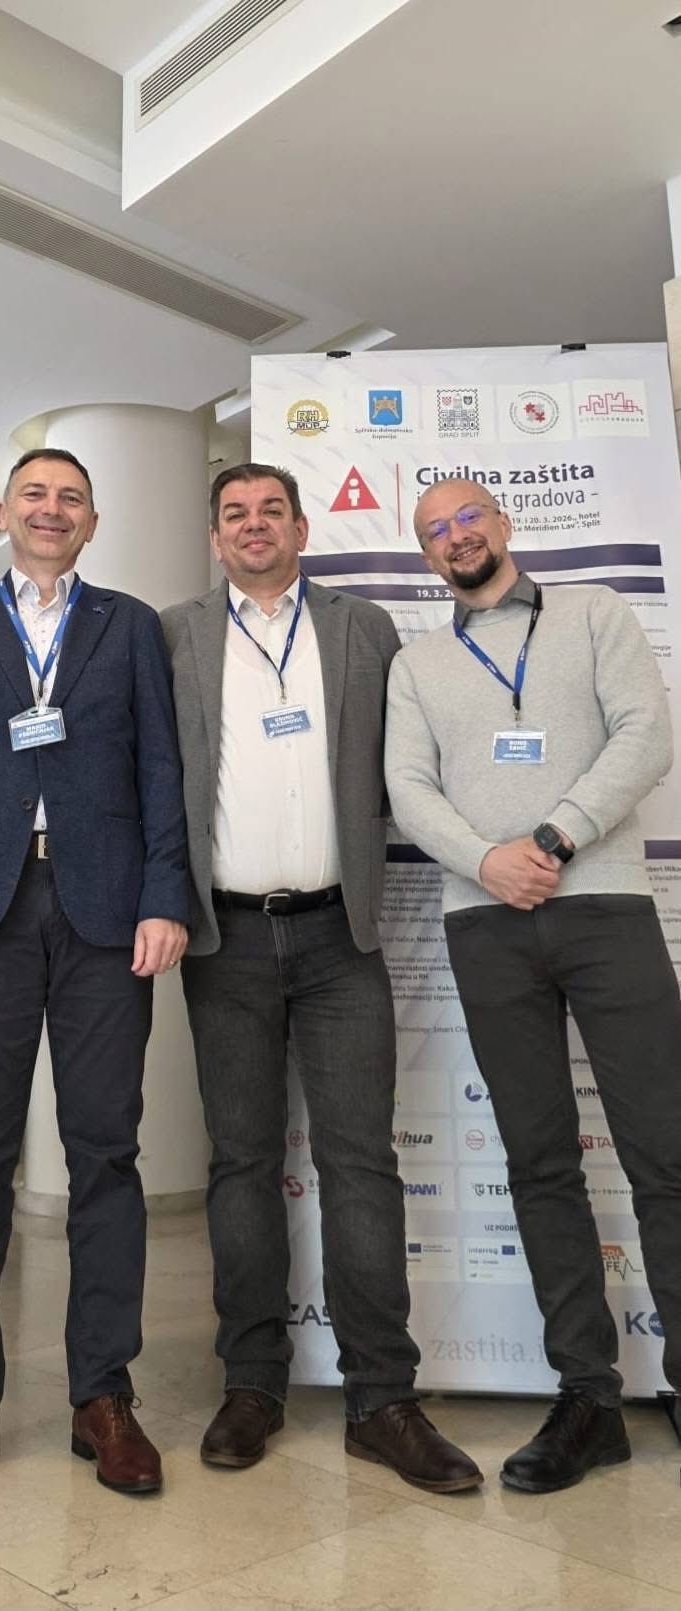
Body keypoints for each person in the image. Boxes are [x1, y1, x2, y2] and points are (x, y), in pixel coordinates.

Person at [0, 447, 188, 1507]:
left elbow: (160, 769)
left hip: (104, 915)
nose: (52, 510)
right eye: (35, 495)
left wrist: (163, 896)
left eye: (71, 498)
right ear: (3, 512)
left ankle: (104, 1394)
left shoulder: (127, 625)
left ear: (92, 522)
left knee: (106, 1153)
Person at [161, 462, 482, 1493]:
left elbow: (411, 761)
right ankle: (251, 1383)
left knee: (360, 1163)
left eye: (270, 511)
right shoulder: (173, 636)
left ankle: (381, 1397)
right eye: (234, 514)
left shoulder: (362, 629)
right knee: (241, 1165)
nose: (253, 526)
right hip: (225, 942)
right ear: (215, 538)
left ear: (301, 528)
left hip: (341, 937)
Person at [384, 475, 681, 1493]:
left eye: (468, 516)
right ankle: (588, 1397)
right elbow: (407, 788)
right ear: (425, 554)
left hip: (604, 906)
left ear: (502, 523)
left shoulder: (594, 613)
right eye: (434, 529)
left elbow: (645, 735)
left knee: (664, 1154)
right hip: (484, 923)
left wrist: (551, 838)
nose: (455, 535)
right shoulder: (417, 663)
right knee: (539, 1162)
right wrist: (486, 861)